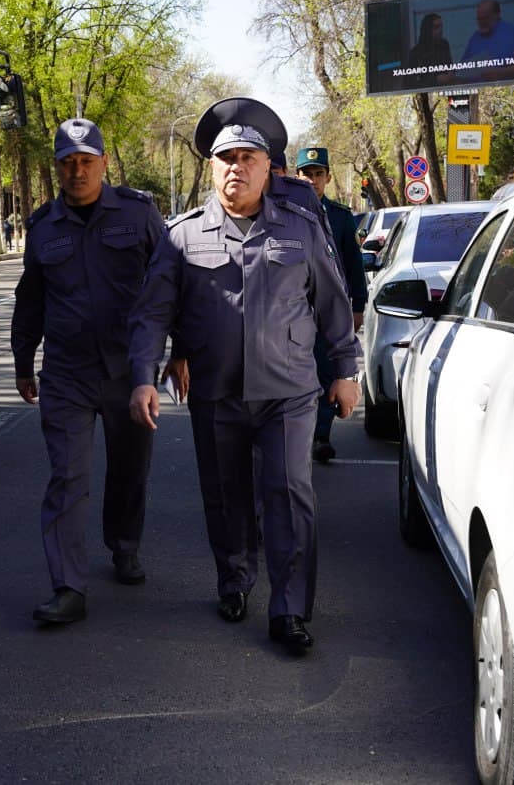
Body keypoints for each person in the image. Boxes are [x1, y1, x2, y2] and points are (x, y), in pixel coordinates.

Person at [127, 98, 360, 655]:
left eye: (248, 157)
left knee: (290, 495)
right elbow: (152, 313)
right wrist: (143, 376)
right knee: (227, 497)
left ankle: (289, 610)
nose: (237, 166)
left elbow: (332, 303)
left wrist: (346, 371)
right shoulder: (183, 235)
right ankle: (234, 581)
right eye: (225, 157)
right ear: (211, 168)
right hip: (217, 392)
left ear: (267, 167)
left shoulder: (302, 229)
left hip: (289, 393)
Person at [12, 118, 164, 624]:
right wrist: (22, 361)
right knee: (68, 476)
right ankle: (68, 586)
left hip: (129, 371)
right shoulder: (42, 228)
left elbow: (169, 286)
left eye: (86, 161)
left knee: (130, 468)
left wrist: (181, 350)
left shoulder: (139, 215)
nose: (77, 171)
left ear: (103, 164)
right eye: (67, 162)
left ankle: (124, 544)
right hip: (67, 372)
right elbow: (29, 300)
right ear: (56, 167)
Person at [296, 148, 369, 463]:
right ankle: (297, 435)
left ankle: (320, 437)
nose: (312, 180)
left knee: (326, 373)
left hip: (329, 311)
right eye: (306, 174)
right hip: (294, 311)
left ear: (327, 177)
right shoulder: (280, 213)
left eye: (317, 174)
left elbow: (354, 266)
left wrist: (358, 305)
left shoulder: (339, 217)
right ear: (296, 177)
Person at [459, 0, 514, 81]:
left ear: (497, 15)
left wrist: (501, 72)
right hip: (477, 90)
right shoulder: (475, 38)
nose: (482, 22)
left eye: (485, 18)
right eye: (479, 19)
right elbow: (463, 69)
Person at [408, 12, 453, 89]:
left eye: (441, 26)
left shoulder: (444, 44)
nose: (440, 30)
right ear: (427, 29)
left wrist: (450, 75)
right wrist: (436, 80)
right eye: (436, 27)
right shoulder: (416, 52)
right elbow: (411, 83)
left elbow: (450, 66)